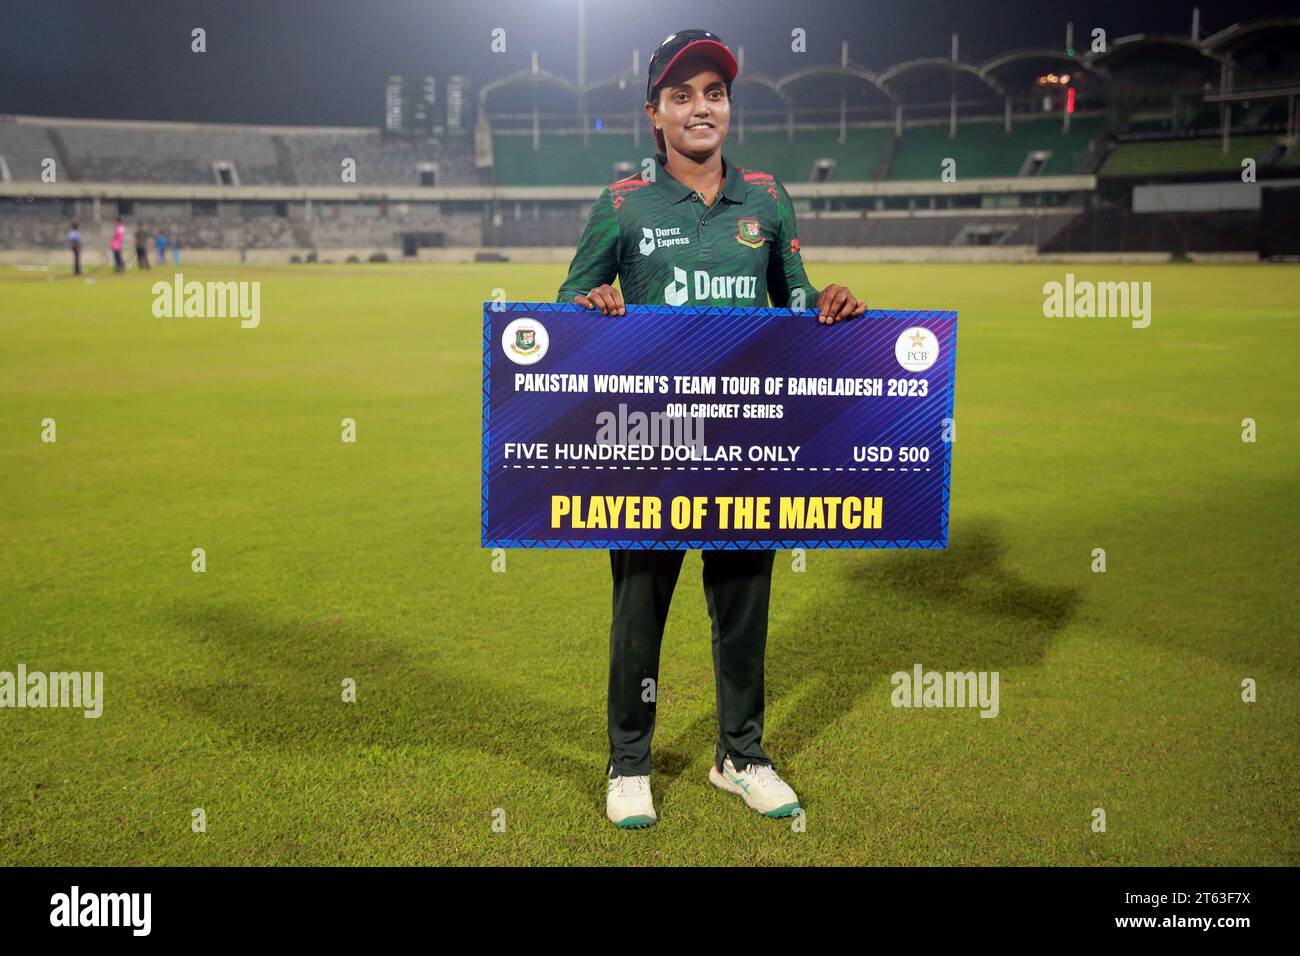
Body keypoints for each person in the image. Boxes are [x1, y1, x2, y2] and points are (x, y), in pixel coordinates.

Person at [555, 29, 867, 829]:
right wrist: (589, 308)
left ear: (729, 107)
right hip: (651, 445)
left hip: (741, 443)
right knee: (637, 608)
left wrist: (825, 302)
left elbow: (790, 296)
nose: (702, 107)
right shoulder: (621, 203)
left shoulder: (765, 197)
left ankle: (742, 756)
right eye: (683, 94)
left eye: (715, 93)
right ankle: (629, 764)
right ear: (655, 114)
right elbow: (565, 311)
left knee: (743, 605)